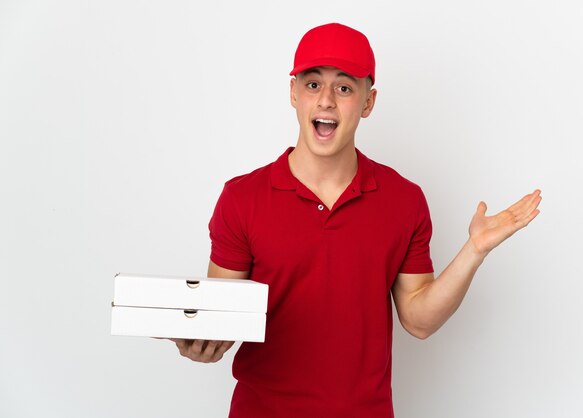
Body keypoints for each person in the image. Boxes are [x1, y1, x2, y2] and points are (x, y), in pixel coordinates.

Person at [171, 23, 541, 417]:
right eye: (313, 84)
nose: (327, 100)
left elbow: (418, 320)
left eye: (344, 88)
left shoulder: (404, 200)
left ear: (368, 102)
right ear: (293, 93)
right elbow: (221, 320)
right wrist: (201, 343)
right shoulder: (242, 198)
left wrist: (474, 250)